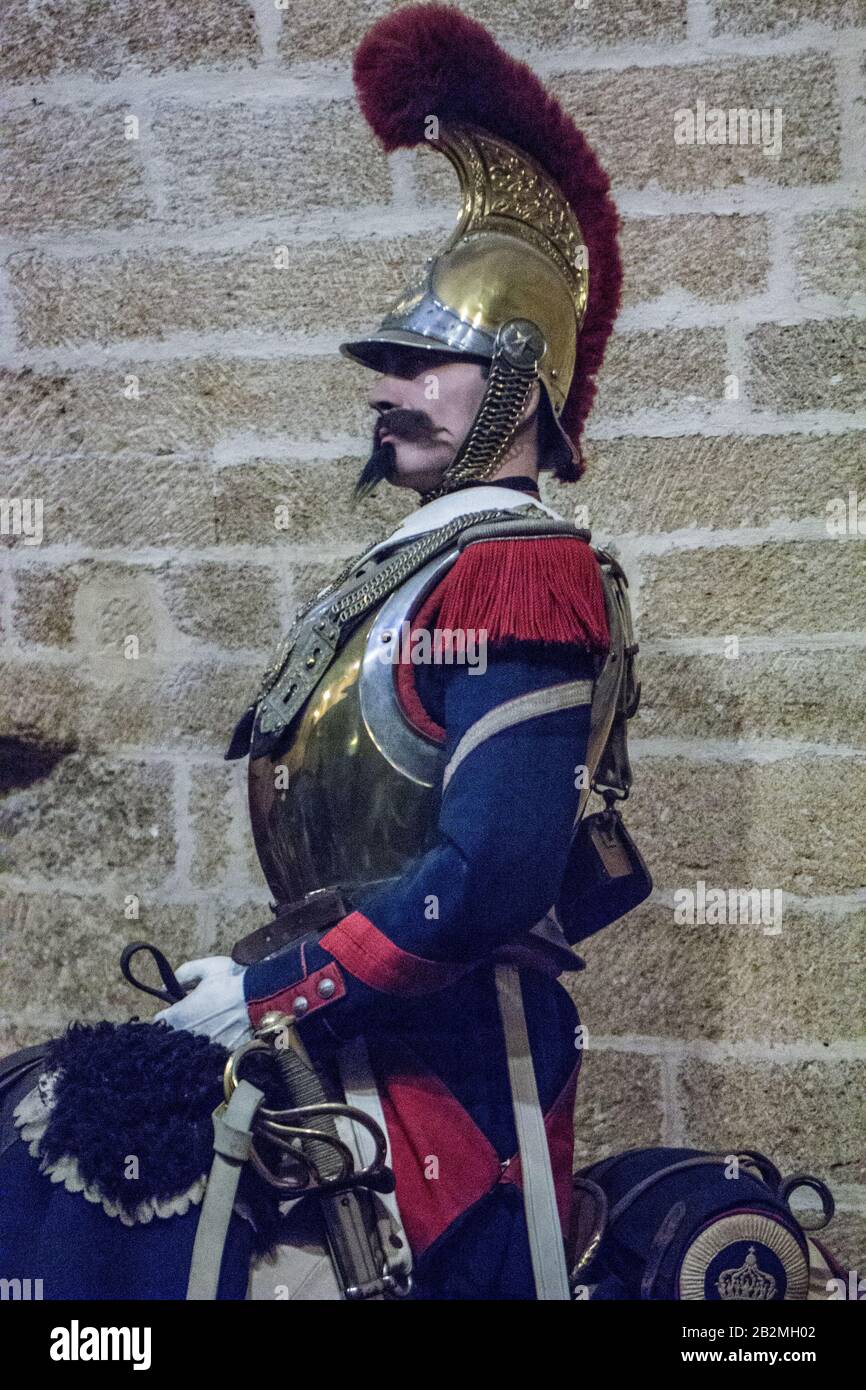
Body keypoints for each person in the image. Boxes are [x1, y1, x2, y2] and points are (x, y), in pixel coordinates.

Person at [155, 3, 624, 1300]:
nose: (385, 388)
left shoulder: (523, 570)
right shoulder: (425, 568)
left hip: (455, 1078)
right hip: (350, 1047)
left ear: (518, 380)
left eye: (426, 365)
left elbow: (481, 880)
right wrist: (263, 985)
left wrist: (265, 992)